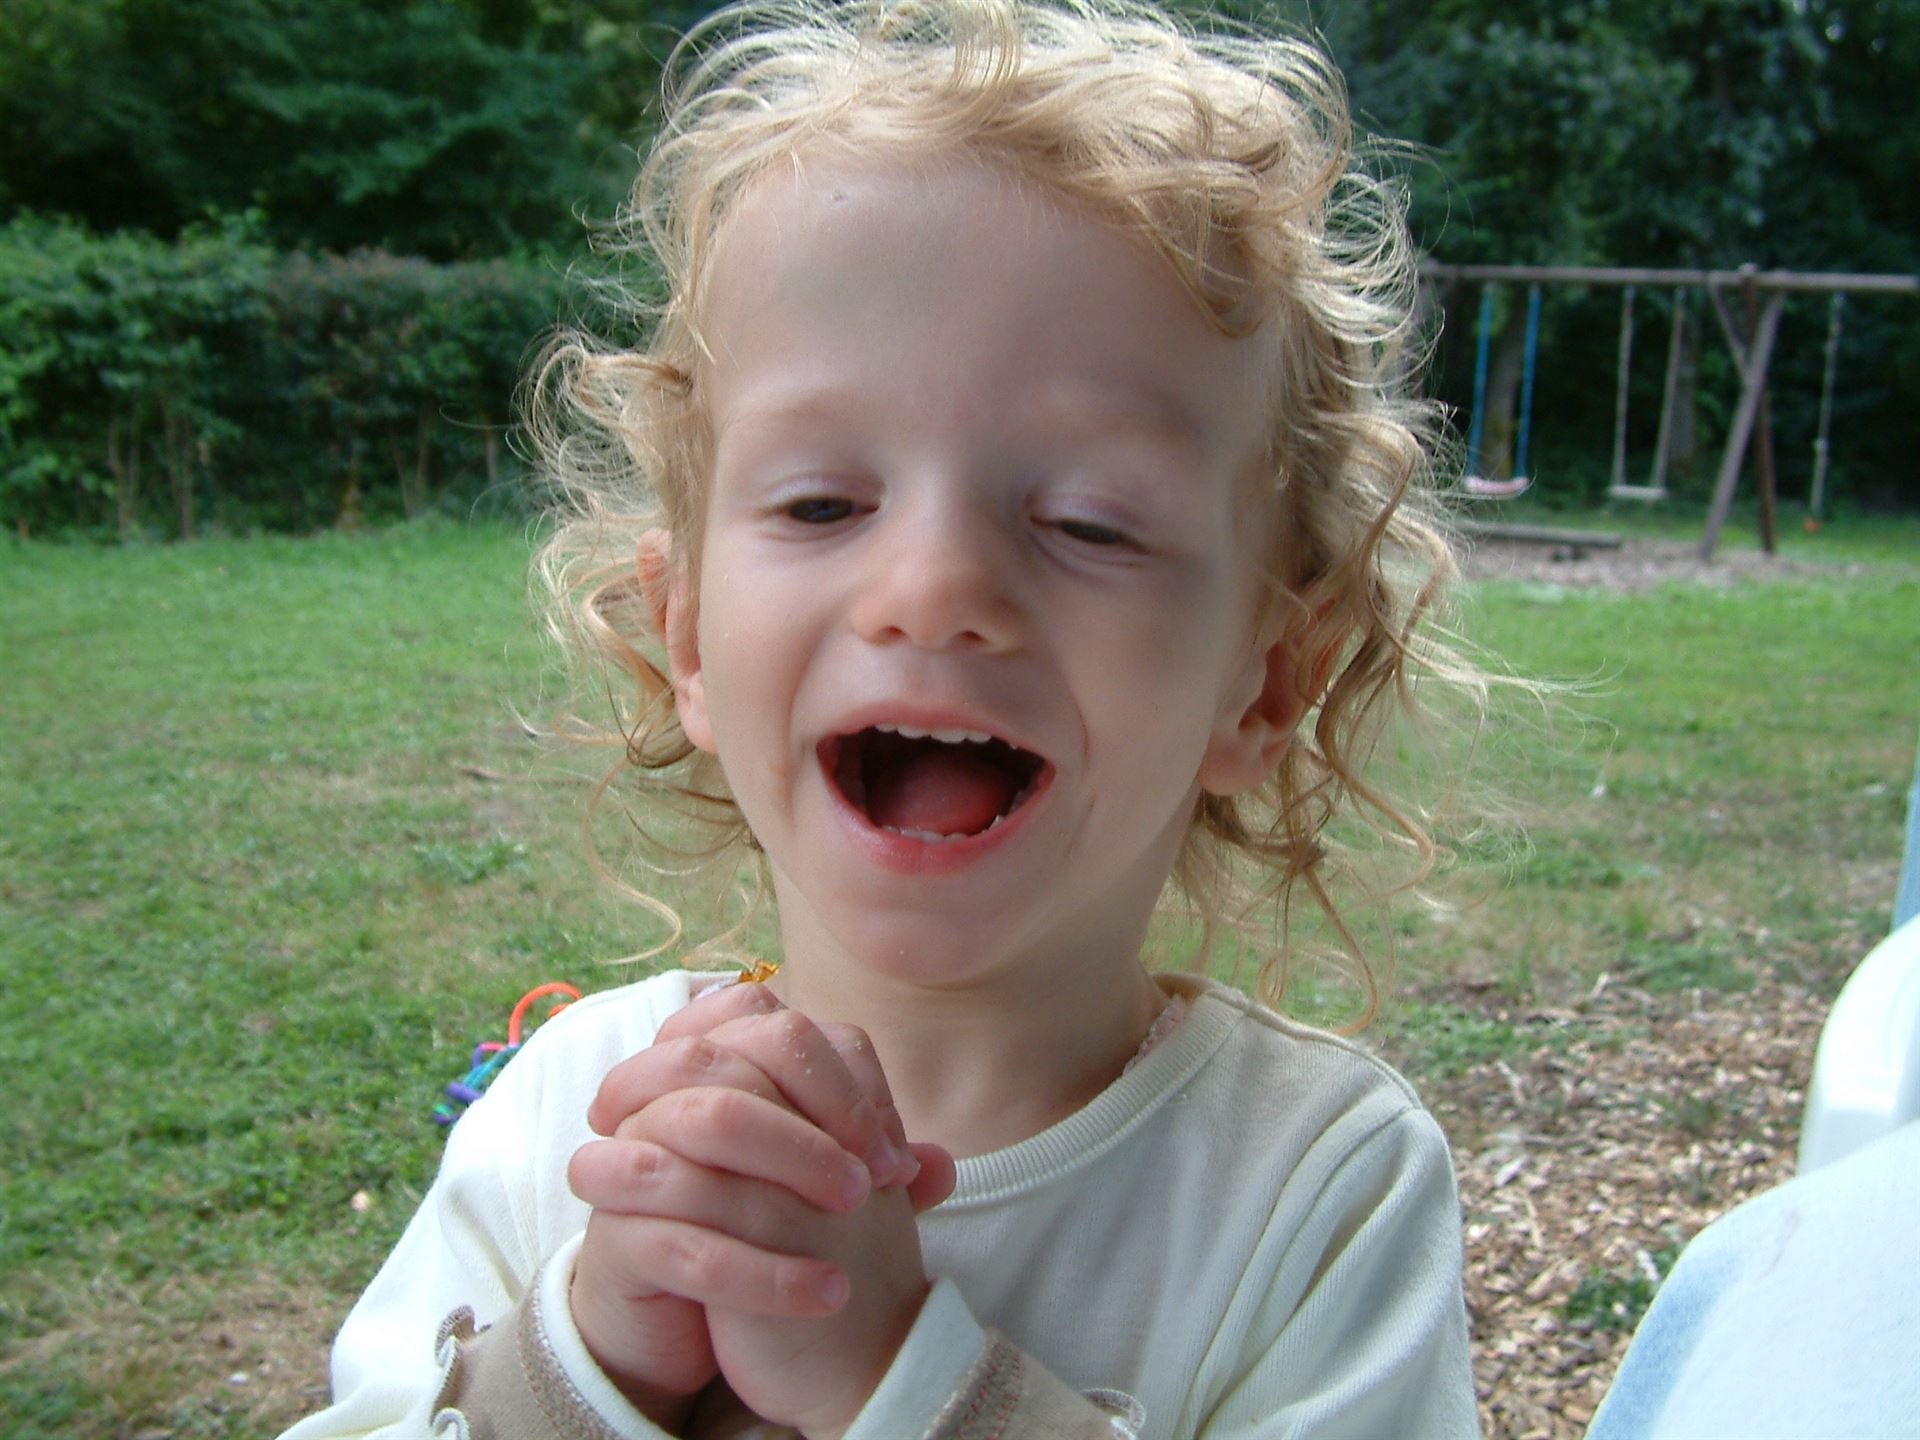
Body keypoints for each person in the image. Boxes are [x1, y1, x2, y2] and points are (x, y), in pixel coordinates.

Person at [282, 1, 1491, 1435]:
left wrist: (906, 1378)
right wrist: (587, 1359)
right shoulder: (577, 1123)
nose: (934, 588)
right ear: (687, 638)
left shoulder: (1316, 1192)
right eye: (821, 504)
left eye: (1090, 521)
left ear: (1266, 682)